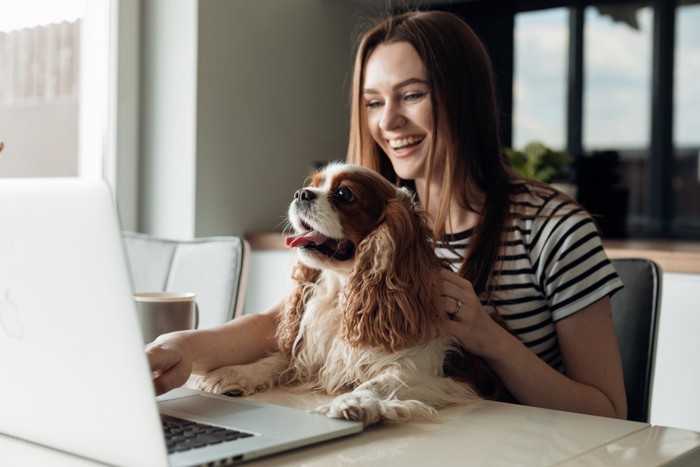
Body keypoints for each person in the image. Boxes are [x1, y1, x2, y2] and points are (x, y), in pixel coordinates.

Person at [147, 10, 627, 419]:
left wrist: (490, 339)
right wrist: (184, 347)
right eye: (375, 102)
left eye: (412, 95)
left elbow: (609, 412)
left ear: (464, 100)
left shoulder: (554, 230)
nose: (388, 121)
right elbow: (277, 324)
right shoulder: (372, 219)